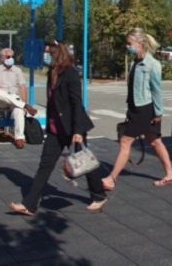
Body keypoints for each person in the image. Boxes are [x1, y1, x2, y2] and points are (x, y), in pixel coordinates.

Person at [9, 41, 107, 215]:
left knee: (84, 163)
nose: (45, 56)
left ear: (57, 54)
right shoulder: (51, 73)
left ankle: (99, 195)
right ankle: (30, 205)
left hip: (72, 127)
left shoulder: (70, 74)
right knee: (45, 164)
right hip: (56, 128)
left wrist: (77, 131)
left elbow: (77, 103)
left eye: (48, 53)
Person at [101, 28, 172, 190]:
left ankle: (111, 179)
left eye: (130, 43)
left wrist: (158, 112)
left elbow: (157, 90)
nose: (127, 46)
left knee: (125, 141)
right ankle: (170, 174)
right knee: (155, 141)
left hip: (145, 109)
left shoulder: (152, 64)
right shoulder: (136, 62)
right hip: (136, 107)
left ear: (140, 43)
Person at [0, 48, 38, 149]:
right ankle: (25, 105)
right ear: (2, 58)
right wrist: (23, 103)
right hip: (1, 100)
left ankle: (19, 138)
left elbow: (22, 87)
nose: (10, 58)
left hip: (15, 100)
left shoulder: (17, 70)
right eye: (8, 57)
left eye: (12, 57)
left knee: (19, 110)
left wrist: (23, 102)